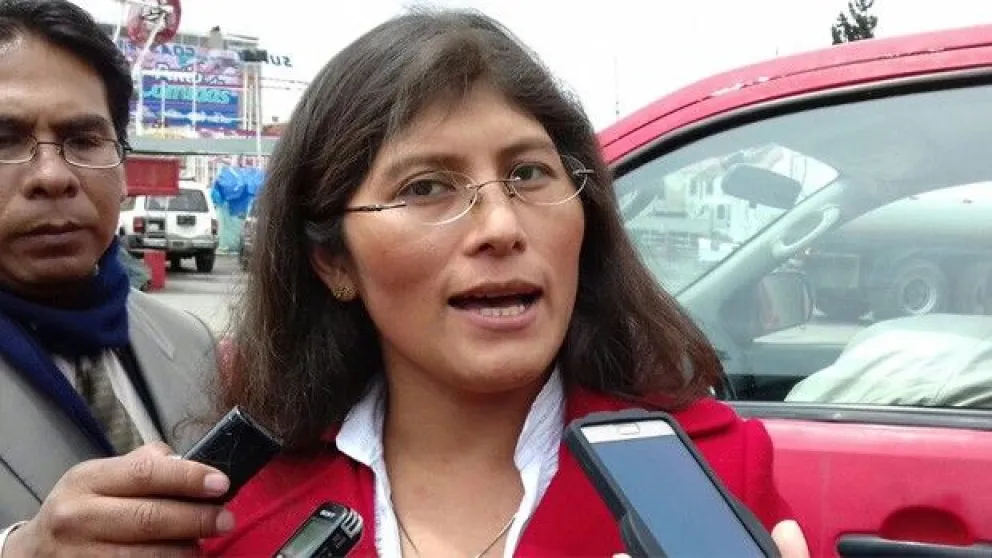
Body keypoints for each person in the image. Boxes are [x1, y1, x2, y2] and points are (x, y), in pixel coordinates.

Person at [199, 8, 810, 558]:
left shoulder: (712, 472)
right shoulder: (233, 509)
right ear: (334, 260)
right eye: (426, 187)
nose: (501, 227)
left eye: (528, 174)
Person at [0, 1, 233, 555]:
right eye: (4, 140)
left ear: (123, 171)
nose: (53, 176)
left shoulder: (190, 342)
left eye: (84, 140)